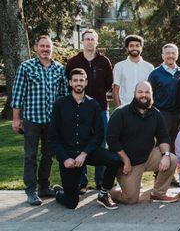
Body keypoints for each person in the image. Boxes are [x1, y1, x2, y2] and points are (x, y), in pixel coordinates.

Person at [48, 68, 121, 210]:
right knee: (71, 203)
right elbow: (52, 137)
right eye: (75, 80)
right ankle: (58, 192)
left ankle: (104, 193)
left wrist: (84, 153)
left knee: (114, 159)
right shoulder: (60, 104)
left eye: (81, 80)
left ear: (86, 82)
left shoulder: (93, 104)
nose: (78, 83)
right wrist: (64, 158)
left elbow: (98, 134)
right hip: (68, 156)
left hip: (87, 153)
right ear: (70, 82)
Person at [11, 35, 69, 205]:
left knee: (48, 155)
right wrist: (16, 118)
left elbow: (64, 95)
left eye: (48, 46)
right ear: (36, 48)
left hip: (52, 121)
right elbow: (18, 94)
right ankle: (31, 191)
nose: (45, 49)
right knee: (30, 155)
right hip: (32, 119)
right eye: (42, 46)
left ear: (52, 48)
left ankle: (44, 186)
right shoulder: (26, 67)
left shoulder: (59, 68)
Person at [107, 81, 178, 204]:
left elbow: (164, 137)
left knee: (172, 158)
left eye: (147, 92)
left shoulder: (155, 113)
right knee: (130, 199)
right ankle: (110, 191)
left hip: (148, 157)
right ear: (134, 94)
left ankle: (158, 194)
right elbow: (112, 140)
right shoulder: (121, 112)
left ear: (151, 94)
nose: (143, 95)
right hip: (127, 163)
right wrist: (125, 160)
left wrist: (165, 155)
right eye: (140, 92)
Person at [66, 29, 114, 192]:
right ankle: (81, 181)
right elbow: (69, 82)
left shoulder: (104, 61)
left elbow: (109, 84)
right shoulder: (74, 61)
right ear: (82, 41)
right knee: (80, 141)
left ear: (96, 42)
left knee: (101, 143)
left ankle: (100, 180)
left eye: (92, 39)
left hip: (100, 108)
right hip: (79, 108)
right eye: (86, 39)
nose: (89, 42)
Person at [148, 44, 180, 166]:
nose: (170, 55)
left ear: (177, 55)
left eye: (173, 53)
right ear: (163, 55)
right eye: (167, 53)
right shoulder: (155, 73)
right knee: (162, 144)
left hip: (179, 114)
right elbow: (149, 94)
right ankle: (158, 174)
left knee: (176, 143)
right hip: (162, 113)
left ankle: (171, 173)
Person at [112, 35, 154, 107]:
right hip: (125, 107)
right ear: (127, 48)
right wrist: (119, 109)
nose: (134, 48)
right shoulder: (119, 66)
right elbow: (115, 91)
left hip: (144, 108)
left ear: (141, 48)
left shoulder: (149, 67)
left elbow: (152, 90)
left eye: (137, 46)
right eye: (131, 46)